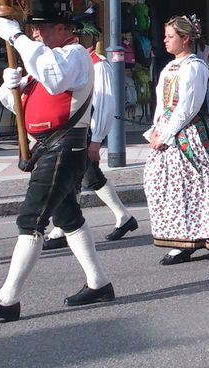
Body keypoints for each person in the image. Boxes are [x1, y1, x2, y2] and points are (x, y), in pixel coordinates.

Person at [0, 0, 114, 322]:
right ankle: (99, 282)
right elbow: (26, 105)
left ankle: (8, 299)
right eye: (33, 27)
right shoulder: (47, 56)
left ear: (63, 28)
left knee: (31, 221)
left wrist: (16, 38)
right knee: (69, 219)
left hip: (65, 148)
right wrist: (11, 89)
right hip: (50, 148)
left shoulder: (73, 55)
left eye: (43, 26)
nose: (36, 32)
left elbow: (53, 77)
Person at [145, 15, 209, 265]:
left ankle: (189, 241)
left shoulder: (195, 66)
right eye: (166, 36)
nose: (165, 40)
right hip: (166, 130)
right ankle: (180, 236)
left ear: (185, 39)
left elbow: (188, 107)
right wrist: (155, 130)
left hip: (186, 132)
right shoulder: (169, 66)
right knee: (163, 185)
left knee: (191, 186)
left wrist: (167, 133)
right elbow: (161, 102)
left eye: (170, 36)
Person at [42, 22, 138, 250]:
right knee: (81, 177)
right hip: (73, 131)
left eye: (79, 36)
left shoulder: (98, 64)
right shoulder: (73, 63)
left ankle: (66, 227)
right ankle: (121, 217)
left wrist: (97, 138)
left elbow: (105, 103)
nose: (74, 39)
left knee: (82, 176)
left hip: (85, 129)